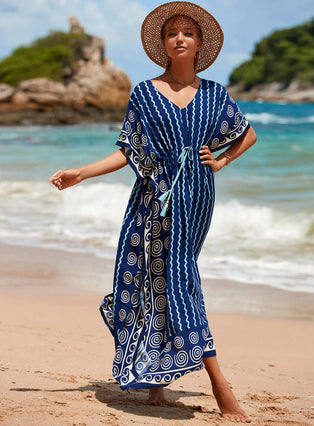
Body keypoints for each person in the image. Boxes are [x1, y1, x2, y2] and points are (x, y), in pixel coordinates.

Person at [50, 1, 256, 422]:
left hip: (197, 196)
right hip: (153, 196)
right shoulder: (144, 92)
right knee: (163, 277)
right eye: (171, 33)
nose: (179, 38)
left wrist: (220, 161)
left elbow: (247, 134)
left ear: (199, 45)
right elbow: (127, 151)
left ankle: (197, 381)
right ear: (163, 44)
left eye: (188, 33)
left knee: (178, 275)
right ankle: (188, 382)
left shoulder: (215, 93)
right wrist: (82, 174)